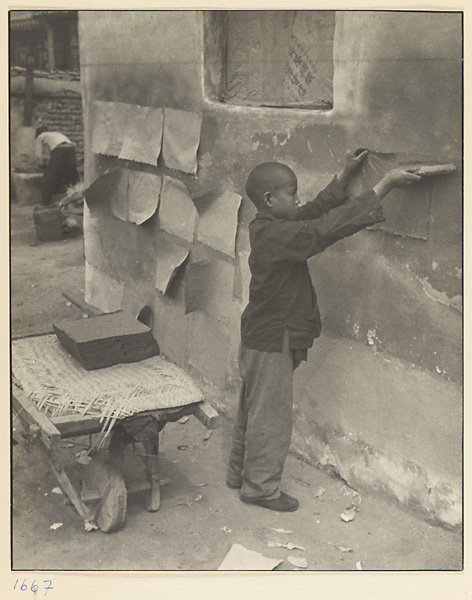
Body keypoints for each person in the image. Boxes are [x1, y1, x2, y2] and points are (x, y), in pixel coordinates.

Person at [226, 150, 422, 512]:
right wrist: (384, 186)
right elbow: (322, 229)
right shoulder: (276, 236)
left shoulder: (269, 226)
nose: (298, 198)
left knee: (252, 406)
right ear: (270, 199)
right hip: (272, 337)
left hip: (259, 334)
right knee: (270, 415)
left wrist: (344, 176)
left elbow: (312, 213)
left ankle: (240, 473)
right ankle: (260, 489)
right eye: (292, 192)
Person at [35, 126, 80, 204]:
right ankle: (77, 196)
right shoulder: (55, 134)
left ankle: (46, 202)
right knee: (71, 173)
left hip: (60, 150)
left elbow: (39, 153)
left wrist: (41, 164)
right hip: (71, 149)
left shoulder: (41, 136)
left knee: (49, 176)